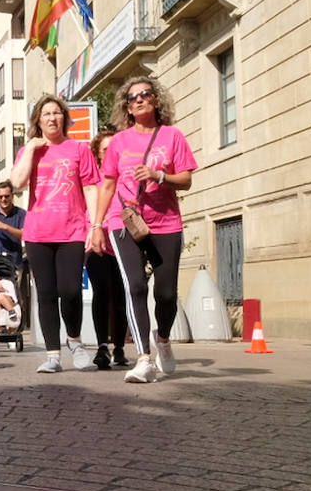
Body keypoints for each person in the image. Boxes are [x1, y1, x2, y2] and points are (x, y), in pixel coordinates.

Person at [91, 75, 198, 384]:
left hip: (166, 221)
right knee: (135, 286)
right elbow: (108, 183)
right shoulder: (119, 141)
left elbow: (187, 179)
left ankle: (162, 338)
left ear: (156, 100)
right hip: (123, 219)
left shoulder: (172, 136)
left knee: (166, 294)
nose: (138, 99)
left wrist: (159, 175)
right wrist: (97, 225)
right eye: (132, 97)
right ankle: (143, 359)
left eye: (145, 94)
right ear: (126, 106)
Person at [10, 93, 101, 373]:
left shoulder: (79, 149)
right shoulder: (31, 151)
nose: (52, 118)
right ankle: (52, 355)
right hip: (38, 233)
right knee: (46, 293)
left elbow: (90, 187)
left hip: (72, 230)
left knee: (70, 290)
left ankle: (75, 341)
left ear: (65, 118)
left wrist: (95, 225)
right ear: (38, 120)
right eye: (46, 114)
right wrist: (29, 149)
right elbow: (16, 182)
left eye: (57, 113)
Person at [86, 128, 129, 369]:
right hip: (96, 242)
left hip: (124, 241)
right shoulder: (93, 180)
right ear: (99, 154)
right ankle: (103, 346)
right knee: (101, 293)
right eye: (106, 149)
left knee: (122, 295)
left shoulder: (127, 177)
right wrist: (91, 232)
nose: (111, 153)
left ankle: (120, 347)